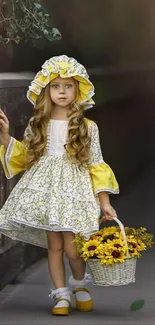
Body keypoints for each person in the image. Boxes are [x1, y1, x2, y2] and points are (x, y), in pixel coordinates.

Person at [0, 55, 119, 316]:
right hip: (47, 193)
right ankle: (61, 294)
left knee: (73, 249)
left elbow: (96, 165)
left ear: (78, 90)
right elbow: (25, 158)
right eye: (55, 86)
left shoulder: (88, 127)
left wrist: (105, 202)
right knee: (54, 246)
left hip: (75, 193)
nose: (62, 92)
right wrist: (7, 137)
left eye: (68, 86)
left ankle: (79, 284)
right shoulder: (37, 124)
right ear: (46, 90)